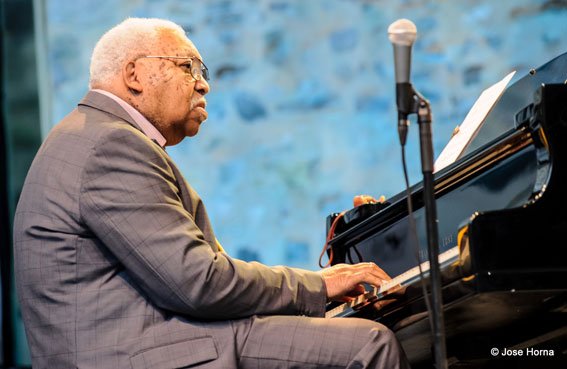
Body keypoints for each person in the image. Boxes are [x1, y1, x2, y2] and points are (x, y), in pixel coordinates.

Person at [13, 18, 410, 369]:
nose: (203, 83)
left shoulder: (91, 136)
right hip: (149, 355)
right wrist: (318, 286)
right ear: (134, 74)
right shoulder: (110, 145)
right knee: (369, 344)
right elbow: (198, 283)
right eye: (188, 67)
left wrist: (319, 297)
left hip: (153, 344)